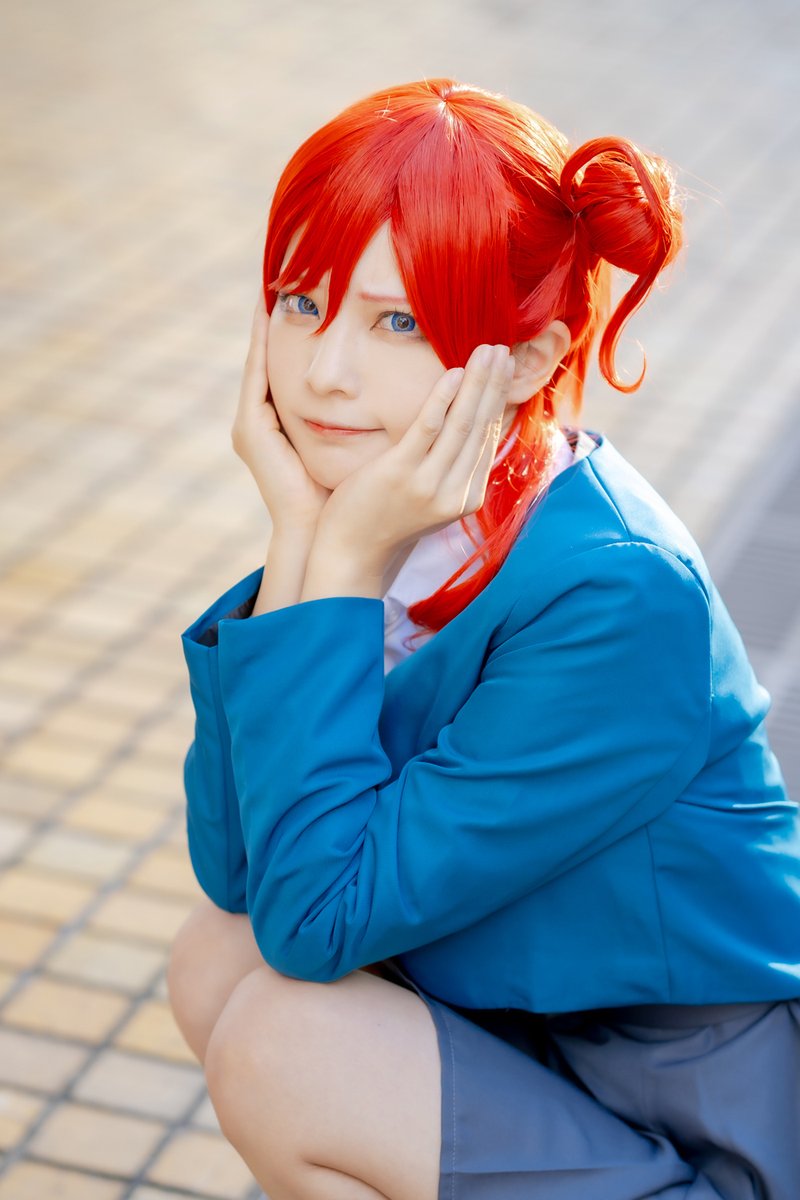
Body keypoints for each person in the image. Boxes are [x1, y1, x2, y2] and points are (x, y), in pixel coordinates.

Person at [167, 78, 800, 1200]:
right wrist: (304, 539)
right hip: (523, 1033)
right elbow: (242, 874)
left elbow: (312, 918)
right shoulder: (397, 525)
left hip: (693, 1122)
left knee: (286, 1045)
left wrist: (338, 567)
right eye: (301, 301)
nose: (323, 371)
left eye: (399, 322)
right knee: (218, 960)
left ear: (528, 358)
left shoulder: (614, 592)